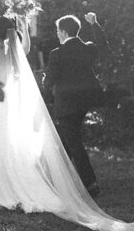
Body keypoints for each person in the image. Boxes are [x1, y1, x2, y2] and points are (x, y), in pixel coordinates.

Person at [0, 13, 134, 231]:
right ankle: (10, 181)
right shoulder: (13, 53)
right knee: (3, 143)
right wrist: (26, 28)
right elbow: (26, 49)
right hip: (6, 107)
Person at [42, 12, 102, 196]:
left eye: (58, 30)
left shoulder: (56, 54)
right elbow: (102, 45)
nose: (57, 34)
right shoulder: (87, 48)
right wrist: (94, 24)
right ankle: (57, 177)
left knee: (74, 142)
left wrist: (44, 80)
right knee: (67, 138)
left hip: (66, 105)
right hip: (84, 103)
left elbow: (49, 82)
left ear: (63, 32)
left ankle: (90, 183)